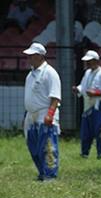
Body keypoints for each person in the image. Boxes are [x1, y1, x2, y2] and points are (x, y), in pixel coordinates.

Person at [22, 42, 61, 181]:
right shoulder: (30, 75)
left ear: (39, 56)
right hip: (31, 116)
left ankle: (50, 175)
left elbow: (55, 97)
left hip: (44, 114)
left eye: (31, 56)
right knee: (34, 147)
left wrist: (50, 114)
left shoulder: (50, 73)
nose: (29, 58)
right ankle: (42, 172)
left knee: (48, 146)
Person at [73, 50, 101, 159]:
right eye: (86, 61)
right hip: (88, 105)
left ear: (96, 61)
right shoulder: (87, 73)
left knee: (100, 131)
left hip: (99, 106)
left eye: (89, 61)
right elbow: (83, 86)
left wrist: (95, 93)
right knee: (86, 132)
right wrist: (78, 89)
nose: (87, 64)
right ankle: (84, 153)